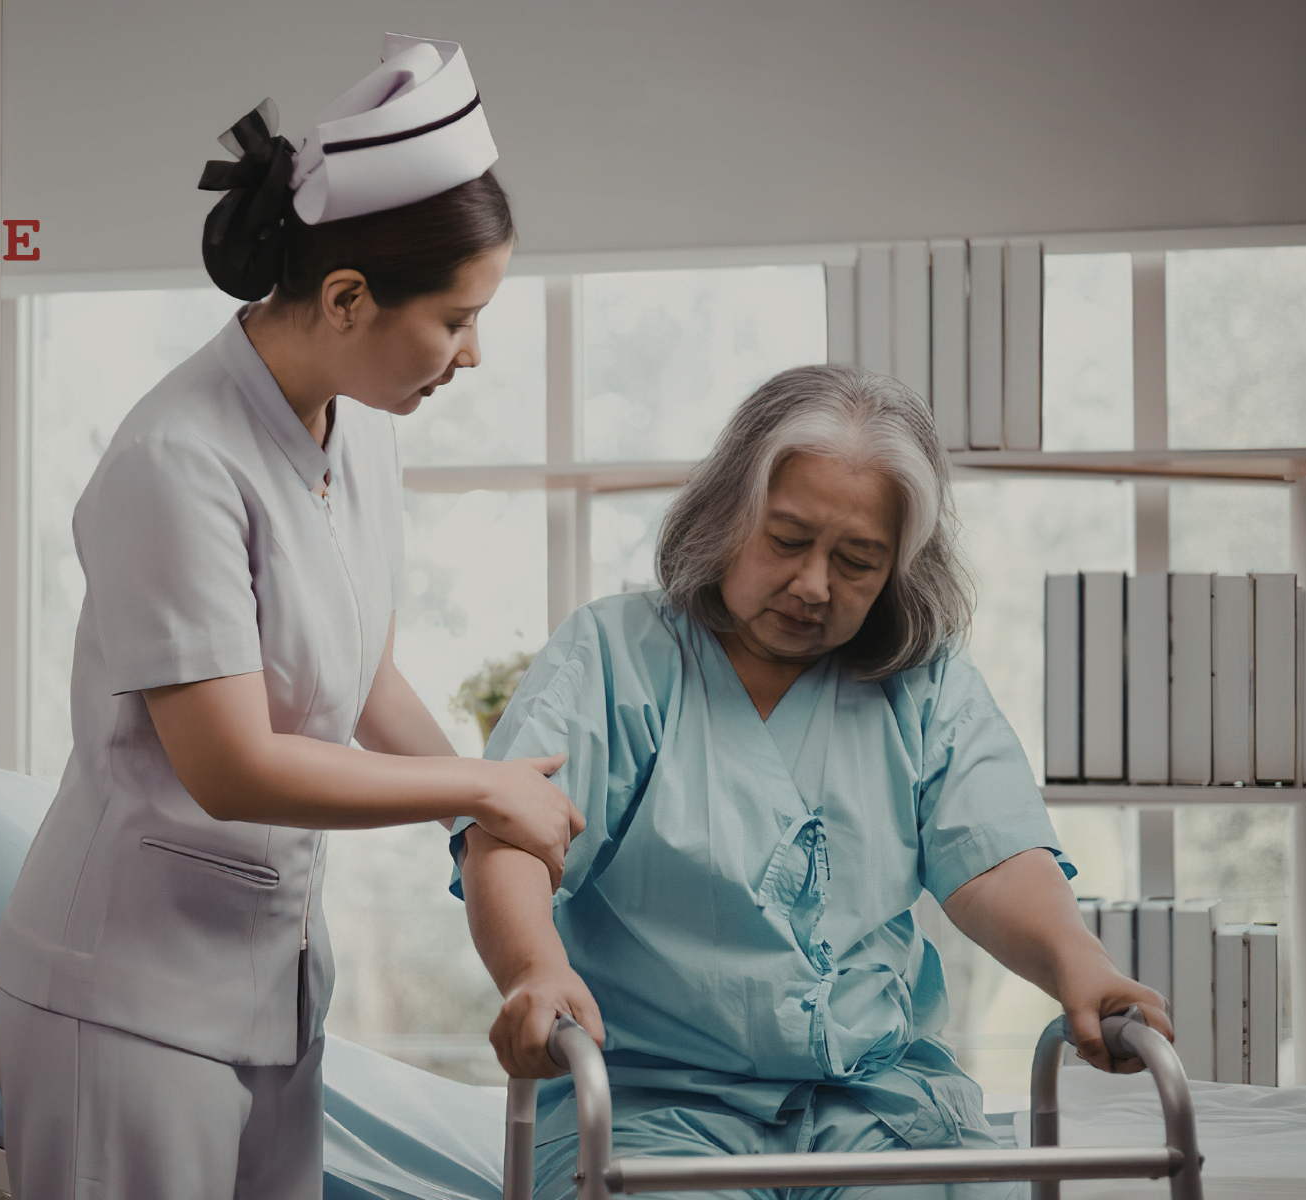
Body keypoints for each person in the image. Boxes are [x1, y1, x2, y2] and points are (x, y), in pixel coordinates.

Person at [0, 34, 583, 1200]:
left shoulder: (359, 426)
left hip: (273, 984)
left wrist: (496, 813)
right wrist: (475, 793)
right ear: (350, 298)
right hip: (127, 999)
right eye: (458, 319)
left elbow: (362, 683)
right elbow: (234, 765)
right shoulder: (176, 460)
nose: (475, 353)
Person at [451, 364, 1174, 1200]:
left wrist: (1078, 966)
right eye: (787, 540)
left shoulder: (922, 684)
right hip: (654, 1106)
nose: (813, 586)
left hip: (880, 1108)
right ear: (725, 516)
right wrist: (533, 969)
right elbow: (511, 836)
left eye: (858, 561)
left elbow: (993, 855)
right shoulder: (615, 658)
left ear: (899, 569)